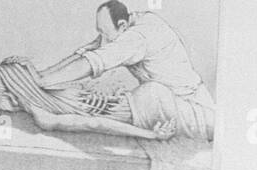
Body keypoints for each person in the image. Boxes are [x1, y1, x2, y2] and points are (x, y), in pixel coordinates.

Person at [31, 2, 215, 139]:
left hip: (188, 109)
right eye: (100, 31)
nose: (102, 39)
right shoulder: (132, 21)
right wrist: (45, 74)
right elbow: (93, 49)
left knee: (145, 95)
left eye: (104, 32)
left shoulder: (136, 37)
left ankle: (55, 121)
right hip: (174, 99)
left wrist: (42, 82)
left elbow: (94, 61)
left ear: (123, 26)